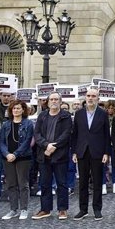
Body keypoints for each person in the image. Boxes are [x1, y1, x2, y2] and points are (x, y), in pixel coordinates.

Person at [71, 88, 111, 221]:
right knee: (82, 182)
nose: (90, 98)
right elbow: (75, 134)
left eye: (93, 96)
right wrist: (74, 151)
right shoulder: (79, 114)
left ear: (98, 98)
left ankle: (97, 209)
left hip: (98, 152)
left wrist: (106, 152)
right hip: (82, 151)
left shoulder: (103, 114)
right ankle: (83, 209)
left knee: (97, 181)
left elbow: (107, 135)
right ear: (85, 97)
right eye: (88, 96)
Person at [32, 92, 73, 220]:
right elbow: (37, 134)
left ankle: (62, 209)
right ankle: (45, 209)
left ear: (60, 102)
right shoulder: (42, 116)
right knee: (44, 183)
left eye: (56, 99)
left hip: (60, 155)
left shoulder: (66, 116)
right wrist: (46, 146)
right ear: (48, 102)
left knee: (62, 183)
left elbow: (66, 134)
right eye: (52, 99)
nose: (54, 101)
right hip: (44, 155)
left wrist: (54, 146)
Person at [0, 100, 34, 220]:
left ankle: (24, 209)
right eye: (14, 108)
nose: (16, 110)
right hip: (7, 158)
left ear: (23, 110)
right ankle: (13, 209)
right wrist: (7, 154)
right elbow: (1, 142)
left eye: (18, 108)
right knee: (11, 184)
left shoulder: (28, 124)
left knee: (23, 184)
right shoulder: (6, 124)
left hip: (23, 157)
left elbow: (27, 141)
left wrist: (16, 154)